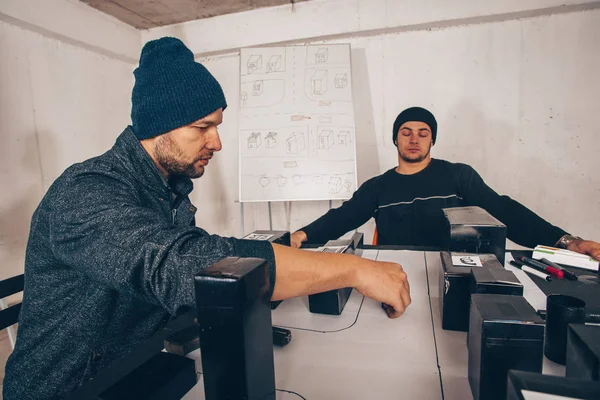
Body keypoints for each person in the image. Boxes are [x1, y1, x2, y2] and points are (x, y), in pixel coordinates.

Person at [3, 37, 411, 400]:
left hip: (137, 370)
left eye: (216, 126)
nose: (216, 142)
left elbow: (198, 263)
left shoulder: (168, 187)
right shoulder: (85, 192)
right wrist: (353, 270)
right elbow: (180, 266)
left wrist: (283, 273)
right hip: (70, 388)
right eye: (203, 127)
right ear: (157, 126)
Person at [291, 107, 600, 261]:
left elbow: (505, 211)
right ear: (395, 139)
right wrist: (302, 235)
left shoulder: (458, 176)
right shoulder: (377, 187)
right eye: (406, 132)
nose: (414, 139)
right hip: (393, 272)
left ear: (432, 140)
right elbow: (343, 217)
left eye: (423, 133)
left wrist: (567, 242)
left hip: (450, 270)